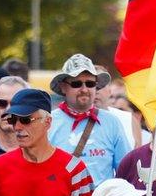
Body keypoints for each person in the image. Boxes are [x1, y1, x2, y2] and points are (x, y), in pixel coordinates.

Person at [47, 53, 130, 187]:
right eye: (76, 83)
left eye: (90, 83)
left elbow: (126, 170)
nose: (84, 89)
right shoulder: (47, 122)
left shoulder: (112, 122)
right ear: (63, 87)